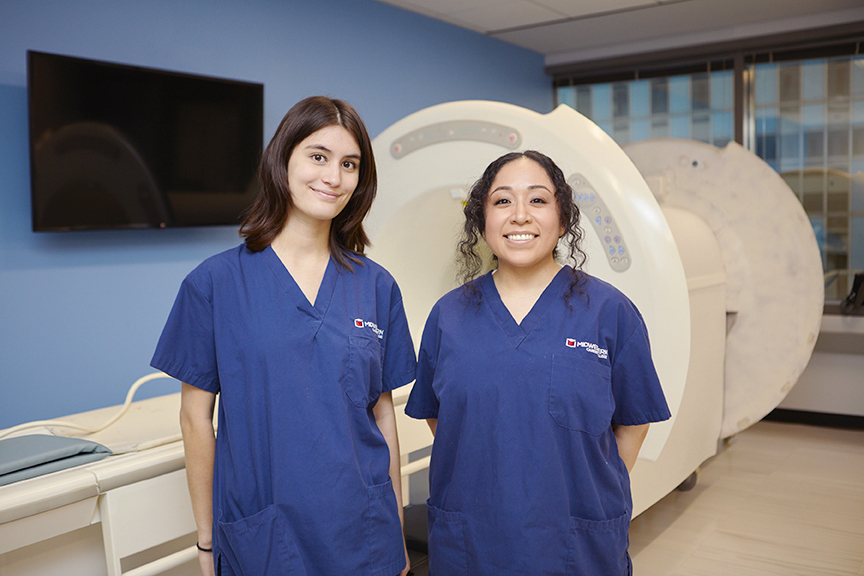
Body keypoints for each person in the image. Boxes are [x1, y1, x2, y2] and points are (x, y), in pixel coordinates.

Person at [151, 96, 416, 576]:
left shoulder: (377, 286)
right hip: (266, 536)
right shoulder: (214, 284)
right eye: (318, 156)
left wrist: (395, 535)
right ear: (283, 160)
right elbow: (195, 419)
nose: (333, 177)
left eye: (349, 164)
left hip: (365, 535)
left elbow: (383, 415)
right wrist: (207, 543)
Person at [405, 150, 671, 575]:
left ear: (563, 219)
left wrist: (588, 482)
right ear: (482, 220)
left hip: (574, 541)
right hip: (472, 540)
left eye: (539, 200)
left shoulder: (609, 311)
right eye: (503, 201)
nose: (520, 216)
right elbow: (443, 419)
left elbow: (635, 420)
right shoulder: (448, 316)